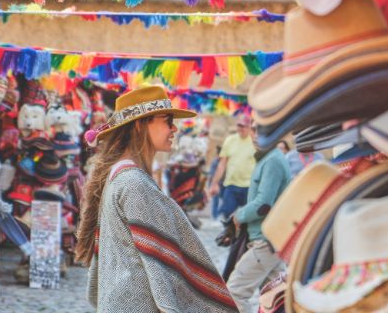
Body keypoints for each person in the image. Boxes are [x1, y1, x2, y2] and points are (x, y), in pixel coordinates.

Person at [76, 86, 237, 313]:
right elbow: (160, 270)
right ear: (141, 124)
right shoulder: (135, 184)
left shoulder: (120, 176)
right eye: (167, 120)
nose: (174, 128)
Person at [227, 123, 292, 313]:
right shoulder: (268, 159)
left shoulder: (272, 160)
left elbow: (264, 204)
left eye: (260, 130)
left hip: (266, 240)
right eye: (253, 130)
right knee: (276, 296)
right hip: (269, 239)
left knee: (235, 292)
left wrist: (239, 215)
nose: (254, 135)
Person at [208, 115, 256, 219]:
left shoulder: (255, 142)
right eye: (239, 125)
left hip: (249, 187)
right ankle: (230, 235)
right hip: (231, 185)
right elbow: (222, 164)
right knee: (227, 215)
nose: (241, 128)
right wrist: (214, 183)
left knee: (246, 219)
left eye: (244, 126)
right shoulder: (230, 140)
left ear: (250, 127)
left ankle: (243, 235)